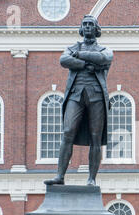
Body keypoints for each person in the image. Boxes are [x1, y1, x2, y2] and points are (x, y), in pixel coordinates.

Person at [44, 15, 113, 186]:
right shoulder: (71, 47)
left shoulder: (104, 49)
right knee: (68, 132)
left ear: (96, 29)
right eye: (85, 24)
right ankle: (60, 176)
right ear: (81, 28)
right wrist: (85, 65)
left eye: (91, 24)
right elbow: (64, 60)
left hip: (96, 96)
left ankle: (91, 179)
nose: (88, 27)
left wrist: (80, 55)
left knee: (96, 137)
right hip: (76, 95)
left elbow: (104, 59)